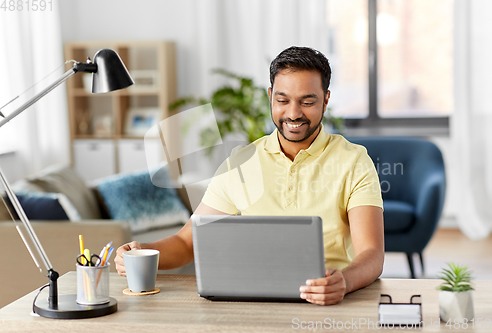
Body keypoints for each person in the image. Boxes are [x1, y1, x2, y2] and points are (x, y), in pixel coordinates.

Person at [115, 46, 384, 306]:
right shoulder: (241, 163)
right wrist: (141, 253)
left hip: (327, 300)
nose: (293, 113)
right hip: (253, 301)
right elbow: (188, 242)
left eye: (307, 101)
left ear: (325, 99)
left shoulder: (354, 160)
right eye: (282, 100)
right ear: (270, 96)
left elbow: (371, 254)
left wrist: (344, 282)